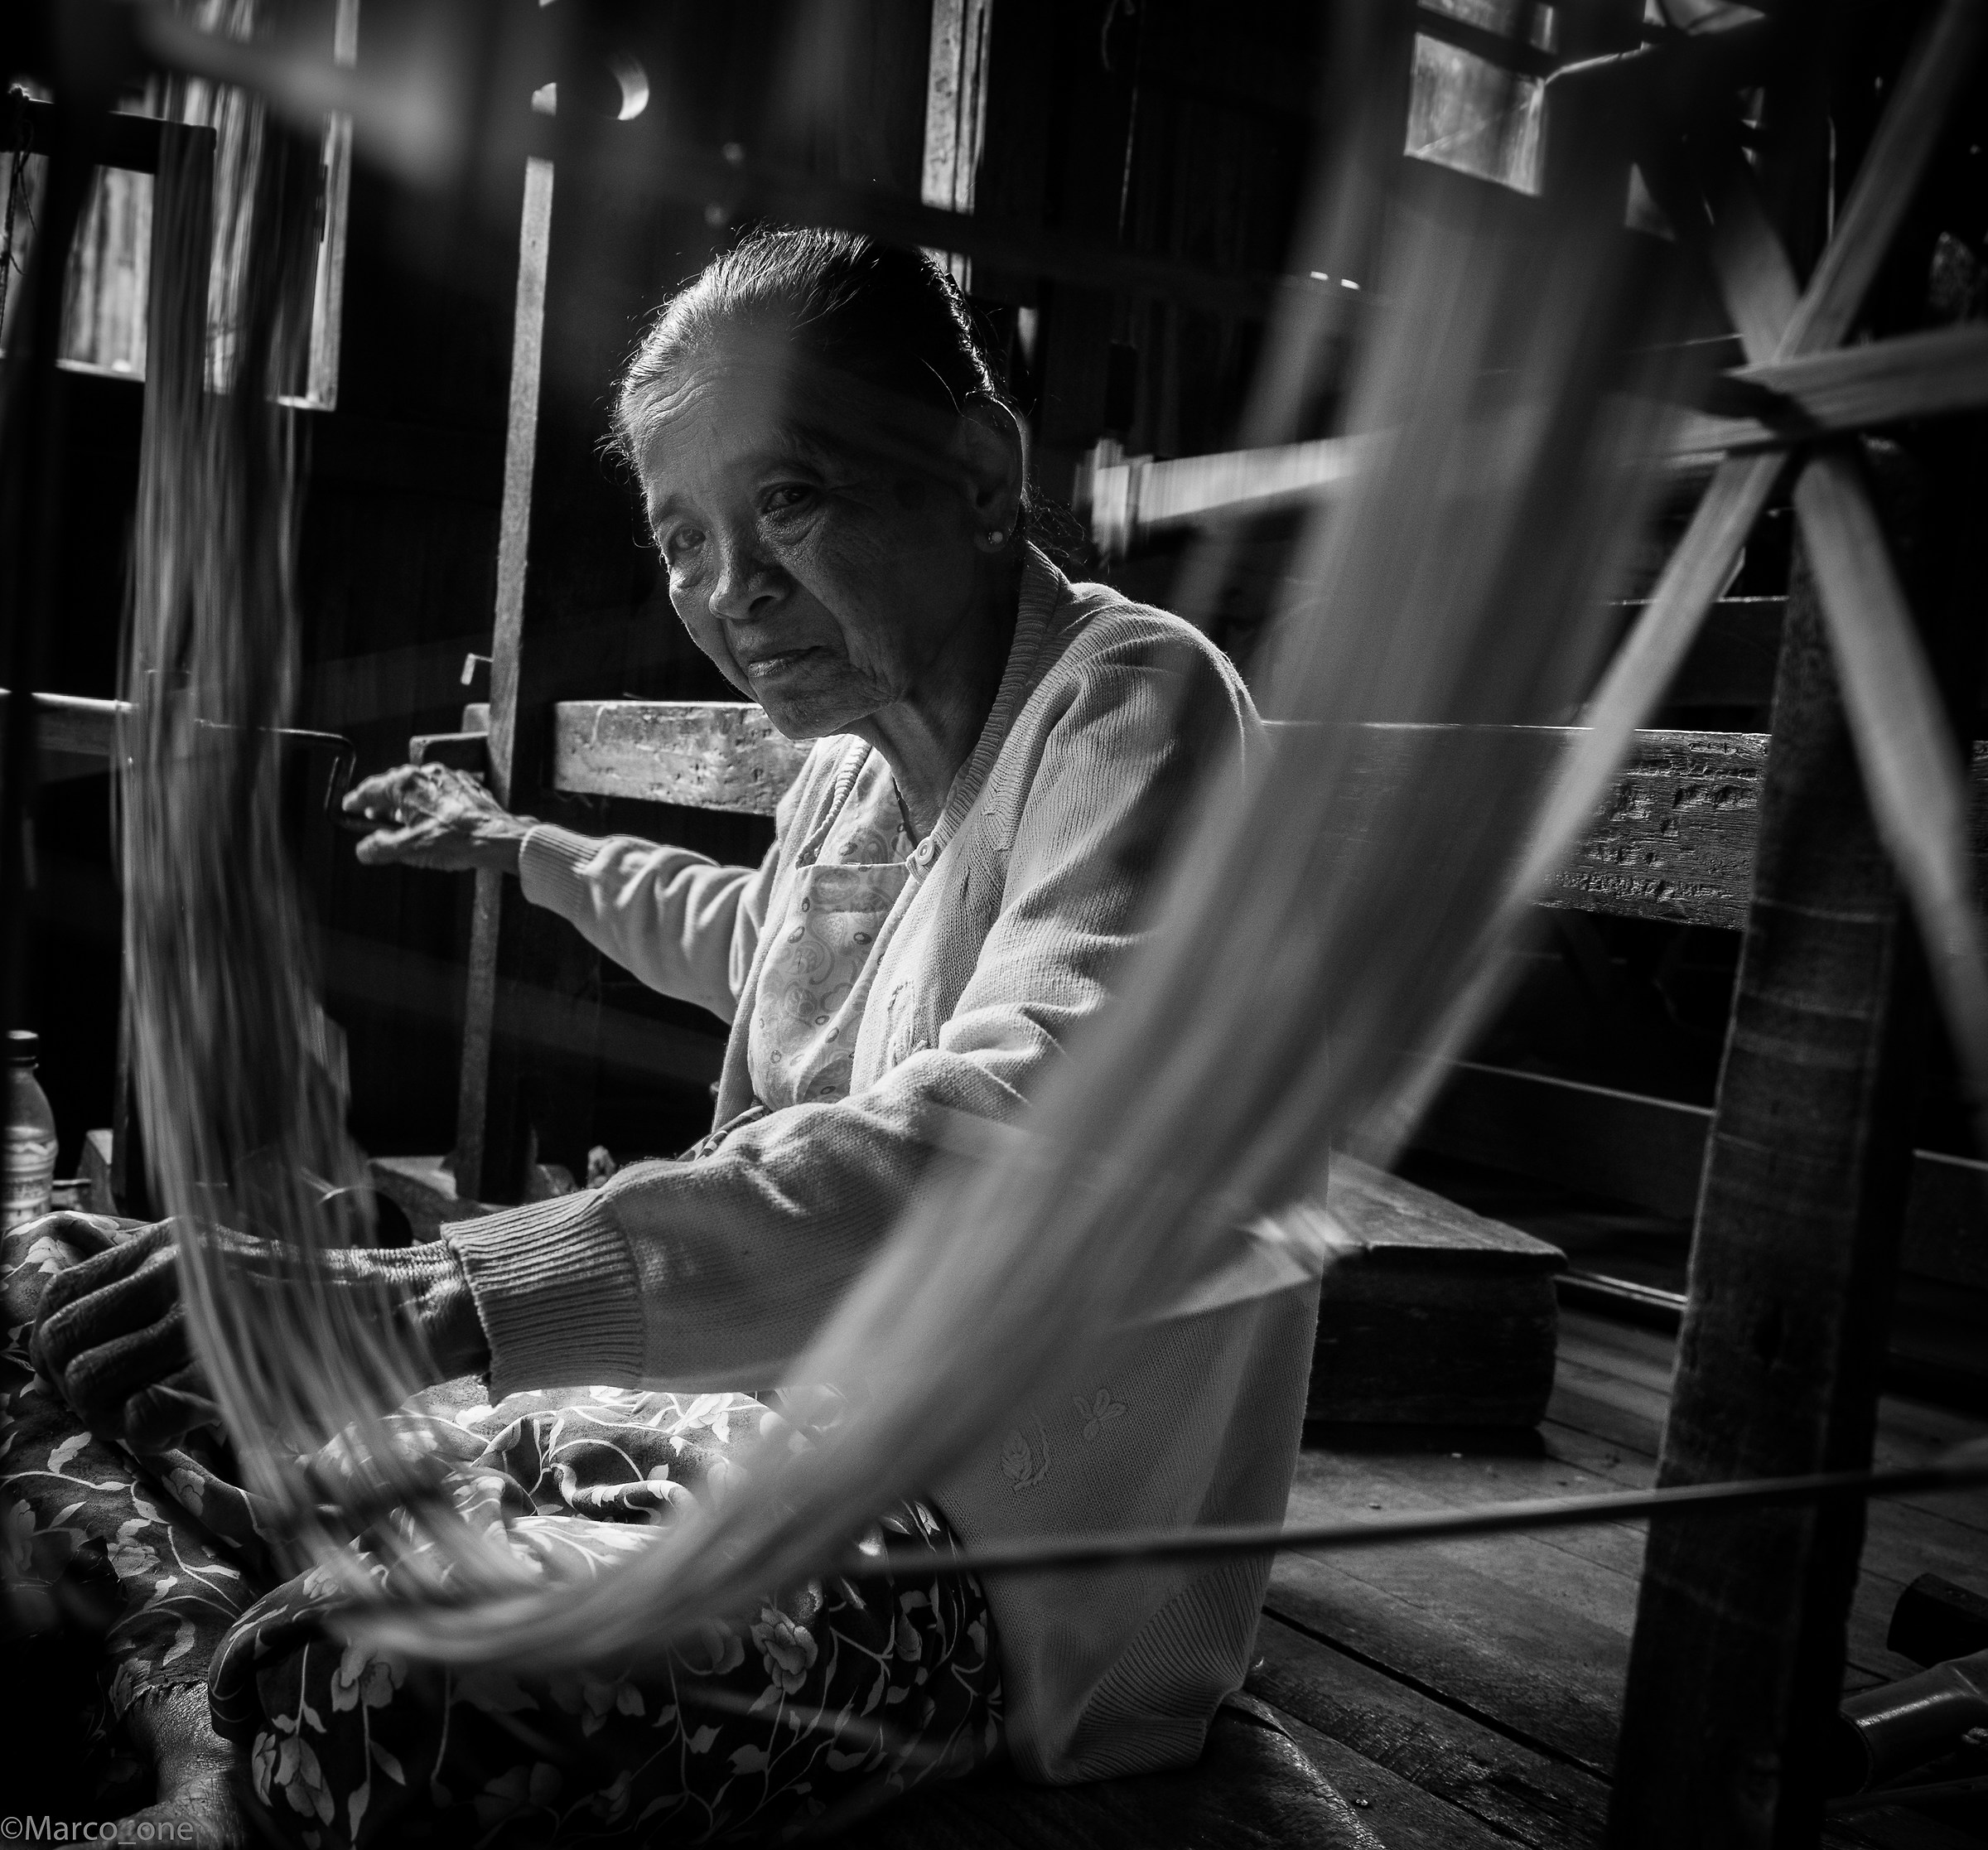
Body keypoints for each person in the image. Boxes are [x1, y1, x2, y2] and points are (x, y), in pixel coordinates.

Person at [12, 229, 1320, 1846]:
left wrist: (449, 1289)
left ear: (979, 469)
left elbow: (1024, 1132)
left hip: (974, 1555)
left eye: (792, 500)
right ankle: (210, 1732)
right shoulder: (850, 765)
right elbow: (745, 939)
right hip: (705, 1434)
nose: (729, 591)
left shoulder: (1134, 710)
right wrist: (512, 845)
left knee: (409, 1686)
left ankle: (242, 1690)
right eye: (683, 537)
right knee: (56, 1292)